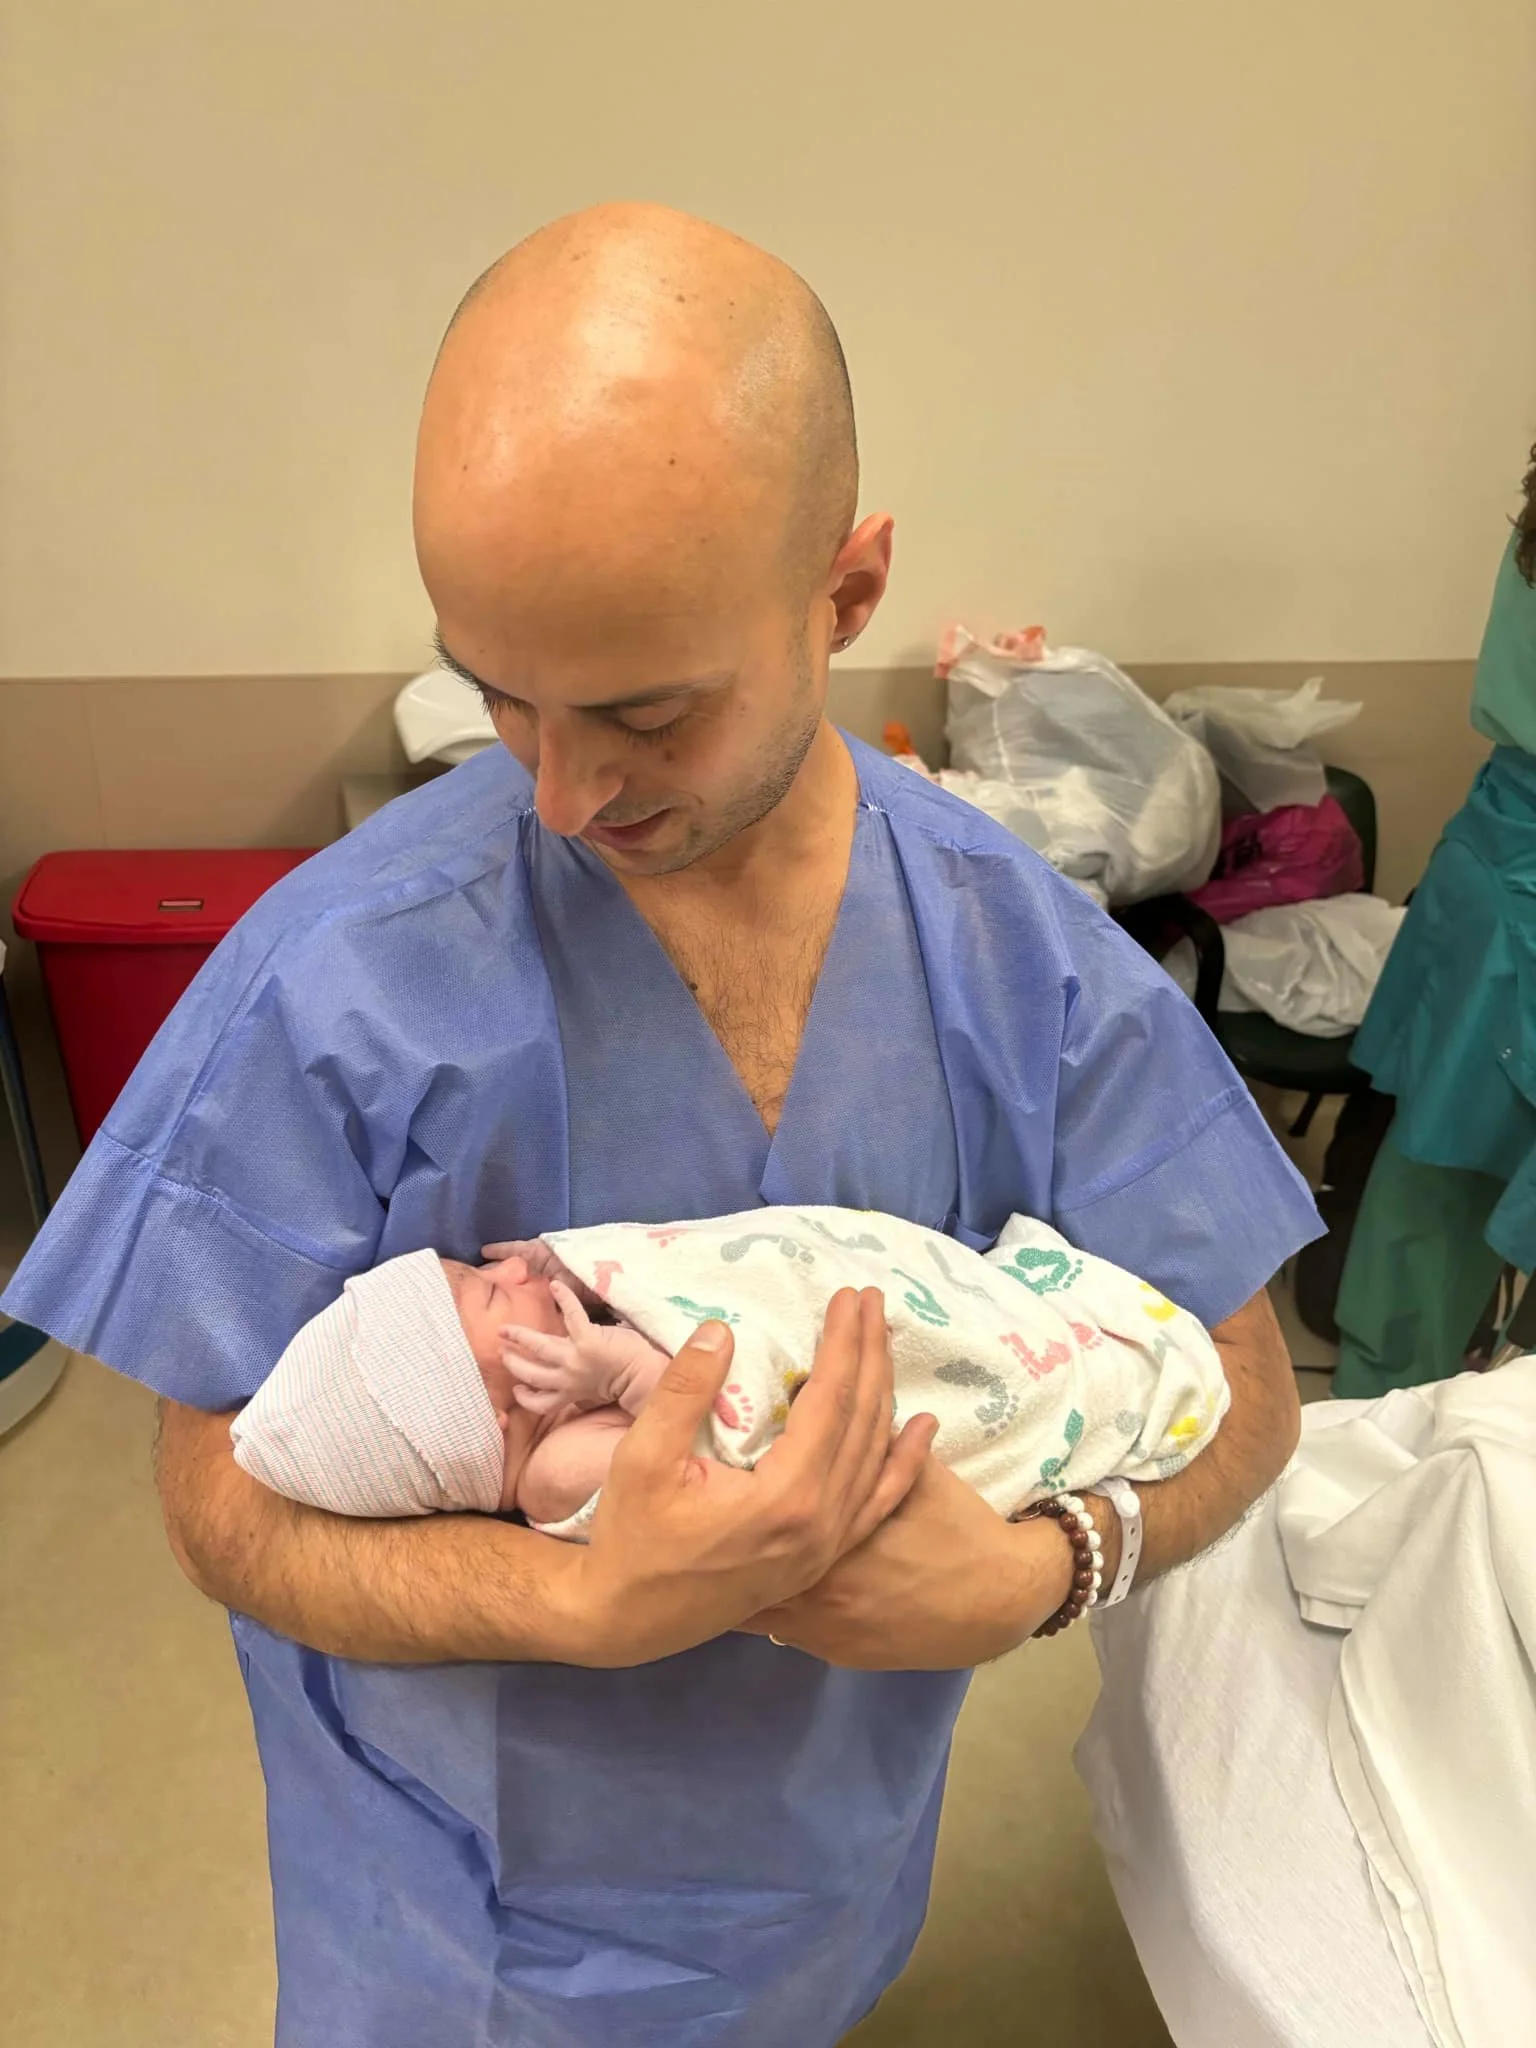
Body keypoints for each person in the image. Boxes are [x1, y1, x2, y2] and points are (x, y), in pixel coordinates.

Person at [0, 204, 1320, 2047]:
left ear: (845, 592)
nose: (559, 792)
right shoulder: (345, 976)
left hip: (821, 1866)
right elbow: (219, 1496)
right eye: (500, 694)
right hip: (454, 1919)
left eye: (646, 711)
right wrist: (577, 1604)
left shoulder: (1016, 964)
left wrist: (1048, 1568)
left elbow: (1245, 1384)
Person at [227, 1205, 1232, 1530]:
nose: (507, 1270)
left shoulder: (549, 1417)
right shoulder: (556, 1474)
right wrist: (622, 1371)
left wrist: (566, 1267)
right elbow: (713, 1461)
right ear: (488, 1417)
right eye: (491, 1297)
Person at [1334, 452, 1536, 1397]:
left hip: (1498, 860)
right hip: (1512, 886)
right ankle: (1394, 1410)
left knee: (1439, 1179)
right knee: (1443, 1179)